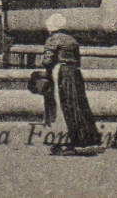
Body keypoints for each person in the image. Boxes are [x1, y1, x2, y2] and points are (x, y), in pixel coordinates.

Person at [41, 13, 103, 156]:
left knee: (61, 105)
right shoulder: (72, 40)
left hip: (61, 72)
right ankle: (83, 137)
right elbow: (78, 60)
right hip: (75, 73)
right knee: (78, 104)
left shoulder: (53, 40)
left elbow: (47, 61)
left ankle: (63, 140)